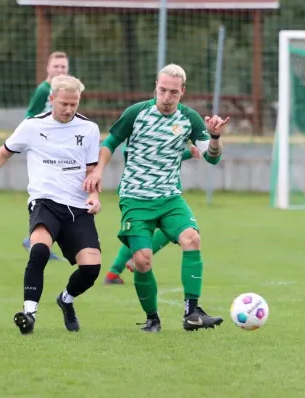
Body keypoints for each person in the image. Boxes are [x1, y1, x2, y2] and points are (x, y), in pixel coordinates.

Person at [84, 64, 229, 332]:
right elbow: (110, 143)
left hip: (169, 197)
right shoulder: (136, 113)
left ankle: (192, 312)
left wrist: (215, 136)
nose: (166, 97)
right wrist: (100, 170)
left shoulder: (190, 119)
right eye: (162, 90)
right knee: (142, 260)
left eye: (173, 92)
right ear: (156, 87)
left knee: (192, 238)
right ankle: (152, 318)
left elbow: (210, 157)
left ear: (182, 92)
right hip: (135, 198)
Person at [0, 75, 102, 335]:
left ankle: (66, 300)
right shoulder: (32, 126)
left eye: (74, 104)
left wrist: (95, 197)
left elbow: (92, 170)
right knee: (39, 251)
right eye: (63, 104)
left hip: (78, 208)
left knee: (91, 269)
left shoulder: (89, 129)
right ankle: (29, 314)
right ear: (51, 99)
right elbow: (3, 152)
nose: (69, 110)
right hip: (44, 202)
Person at [103, 145, 200, 284]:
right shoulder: (144, 133)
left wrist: (187, 153)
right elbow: (157, 154)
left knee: (137, 233)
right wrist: (187, 153)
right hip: (145, 193)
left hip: (153, 192)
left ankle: (114, 272)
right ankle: (131, 263)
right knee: (170, 230)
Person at [21, 51, 69, 260]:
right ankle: (37, 240)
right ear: (48, 68)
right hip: (45, 151)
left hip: (63, 150)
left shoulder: (68, 90)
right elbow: (29, 115)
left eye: (63, 67)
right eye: (56, 66)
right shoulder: (43, 90)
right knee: (47, 195)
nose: (59, 70)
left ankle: (39, 240)